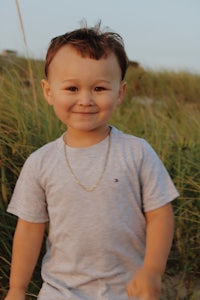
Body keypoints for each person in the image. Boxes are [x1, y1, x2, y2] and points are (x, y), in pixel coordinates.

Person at [5, 23, 179, 300]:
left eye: (99, 88)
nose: (85, 100)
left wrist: (152, 270)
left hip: (128, 291)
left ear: (119, 93)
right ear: (49, 92)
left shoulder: (137, 152)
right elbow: (29, 228)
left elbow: (160, 214)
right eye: (72, 88)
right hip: (59, 292)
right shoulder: (40, 162)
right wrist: (17, 289)